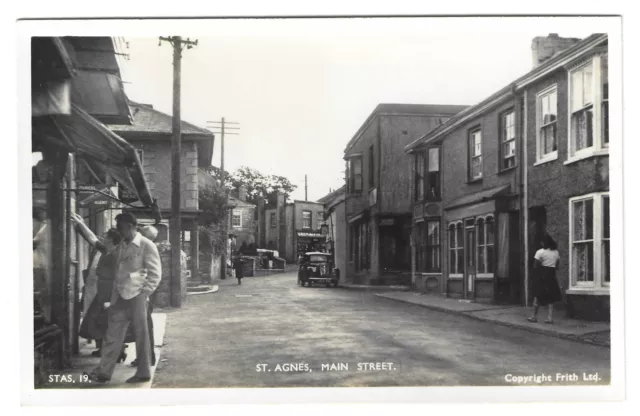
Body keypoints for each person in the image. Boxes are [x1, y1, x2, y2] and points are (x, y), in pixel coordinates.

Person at [85, 212, 162, 384]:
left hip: (137, 296)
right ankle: (104, 372)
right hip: (119, 296)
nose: (120, 232)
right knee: (112, 334)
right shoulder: (122, 246)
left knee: (141, 334)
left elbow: (155, 273)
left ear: (131, 226)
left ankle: (143, 372)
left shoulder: (146, 245)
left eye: (121, 228)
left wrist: (144, 293)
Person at [71, 218, 129, 362]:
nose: (103, 239)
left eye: (106, 237)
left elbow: (120, 278)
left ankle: (114, 353)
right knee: (102, 324)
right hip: (102, 293)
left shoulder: (115, 255)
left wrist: (111, 300)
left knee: (108, 324)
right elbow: (92, 239)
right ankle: (112, 351)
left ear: (111, 240)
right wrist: (81, 223)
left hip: (109, 294)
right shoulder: (106, 250)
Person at [129, 225, 159, 368]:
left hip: (142, 293)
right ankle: (146, 358)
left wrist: (144, 293)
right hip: (141, 292)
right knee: (142, 327)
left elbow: (149, 274)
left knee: (144, 327)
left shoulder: (146, 247)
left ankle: (147, 359)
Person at [528, 234, 562, 324]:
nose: (541, 243)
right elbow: (557, 266)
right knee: (551, 297)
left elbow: (536, 265)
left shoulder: (540, 252)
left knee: (537, 295)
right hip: (551, 275)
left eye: (542, 242)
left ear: (544, 242)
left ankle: (534, 316)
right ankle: (550, 318)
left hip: (541, 275)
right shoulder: (556, 252)